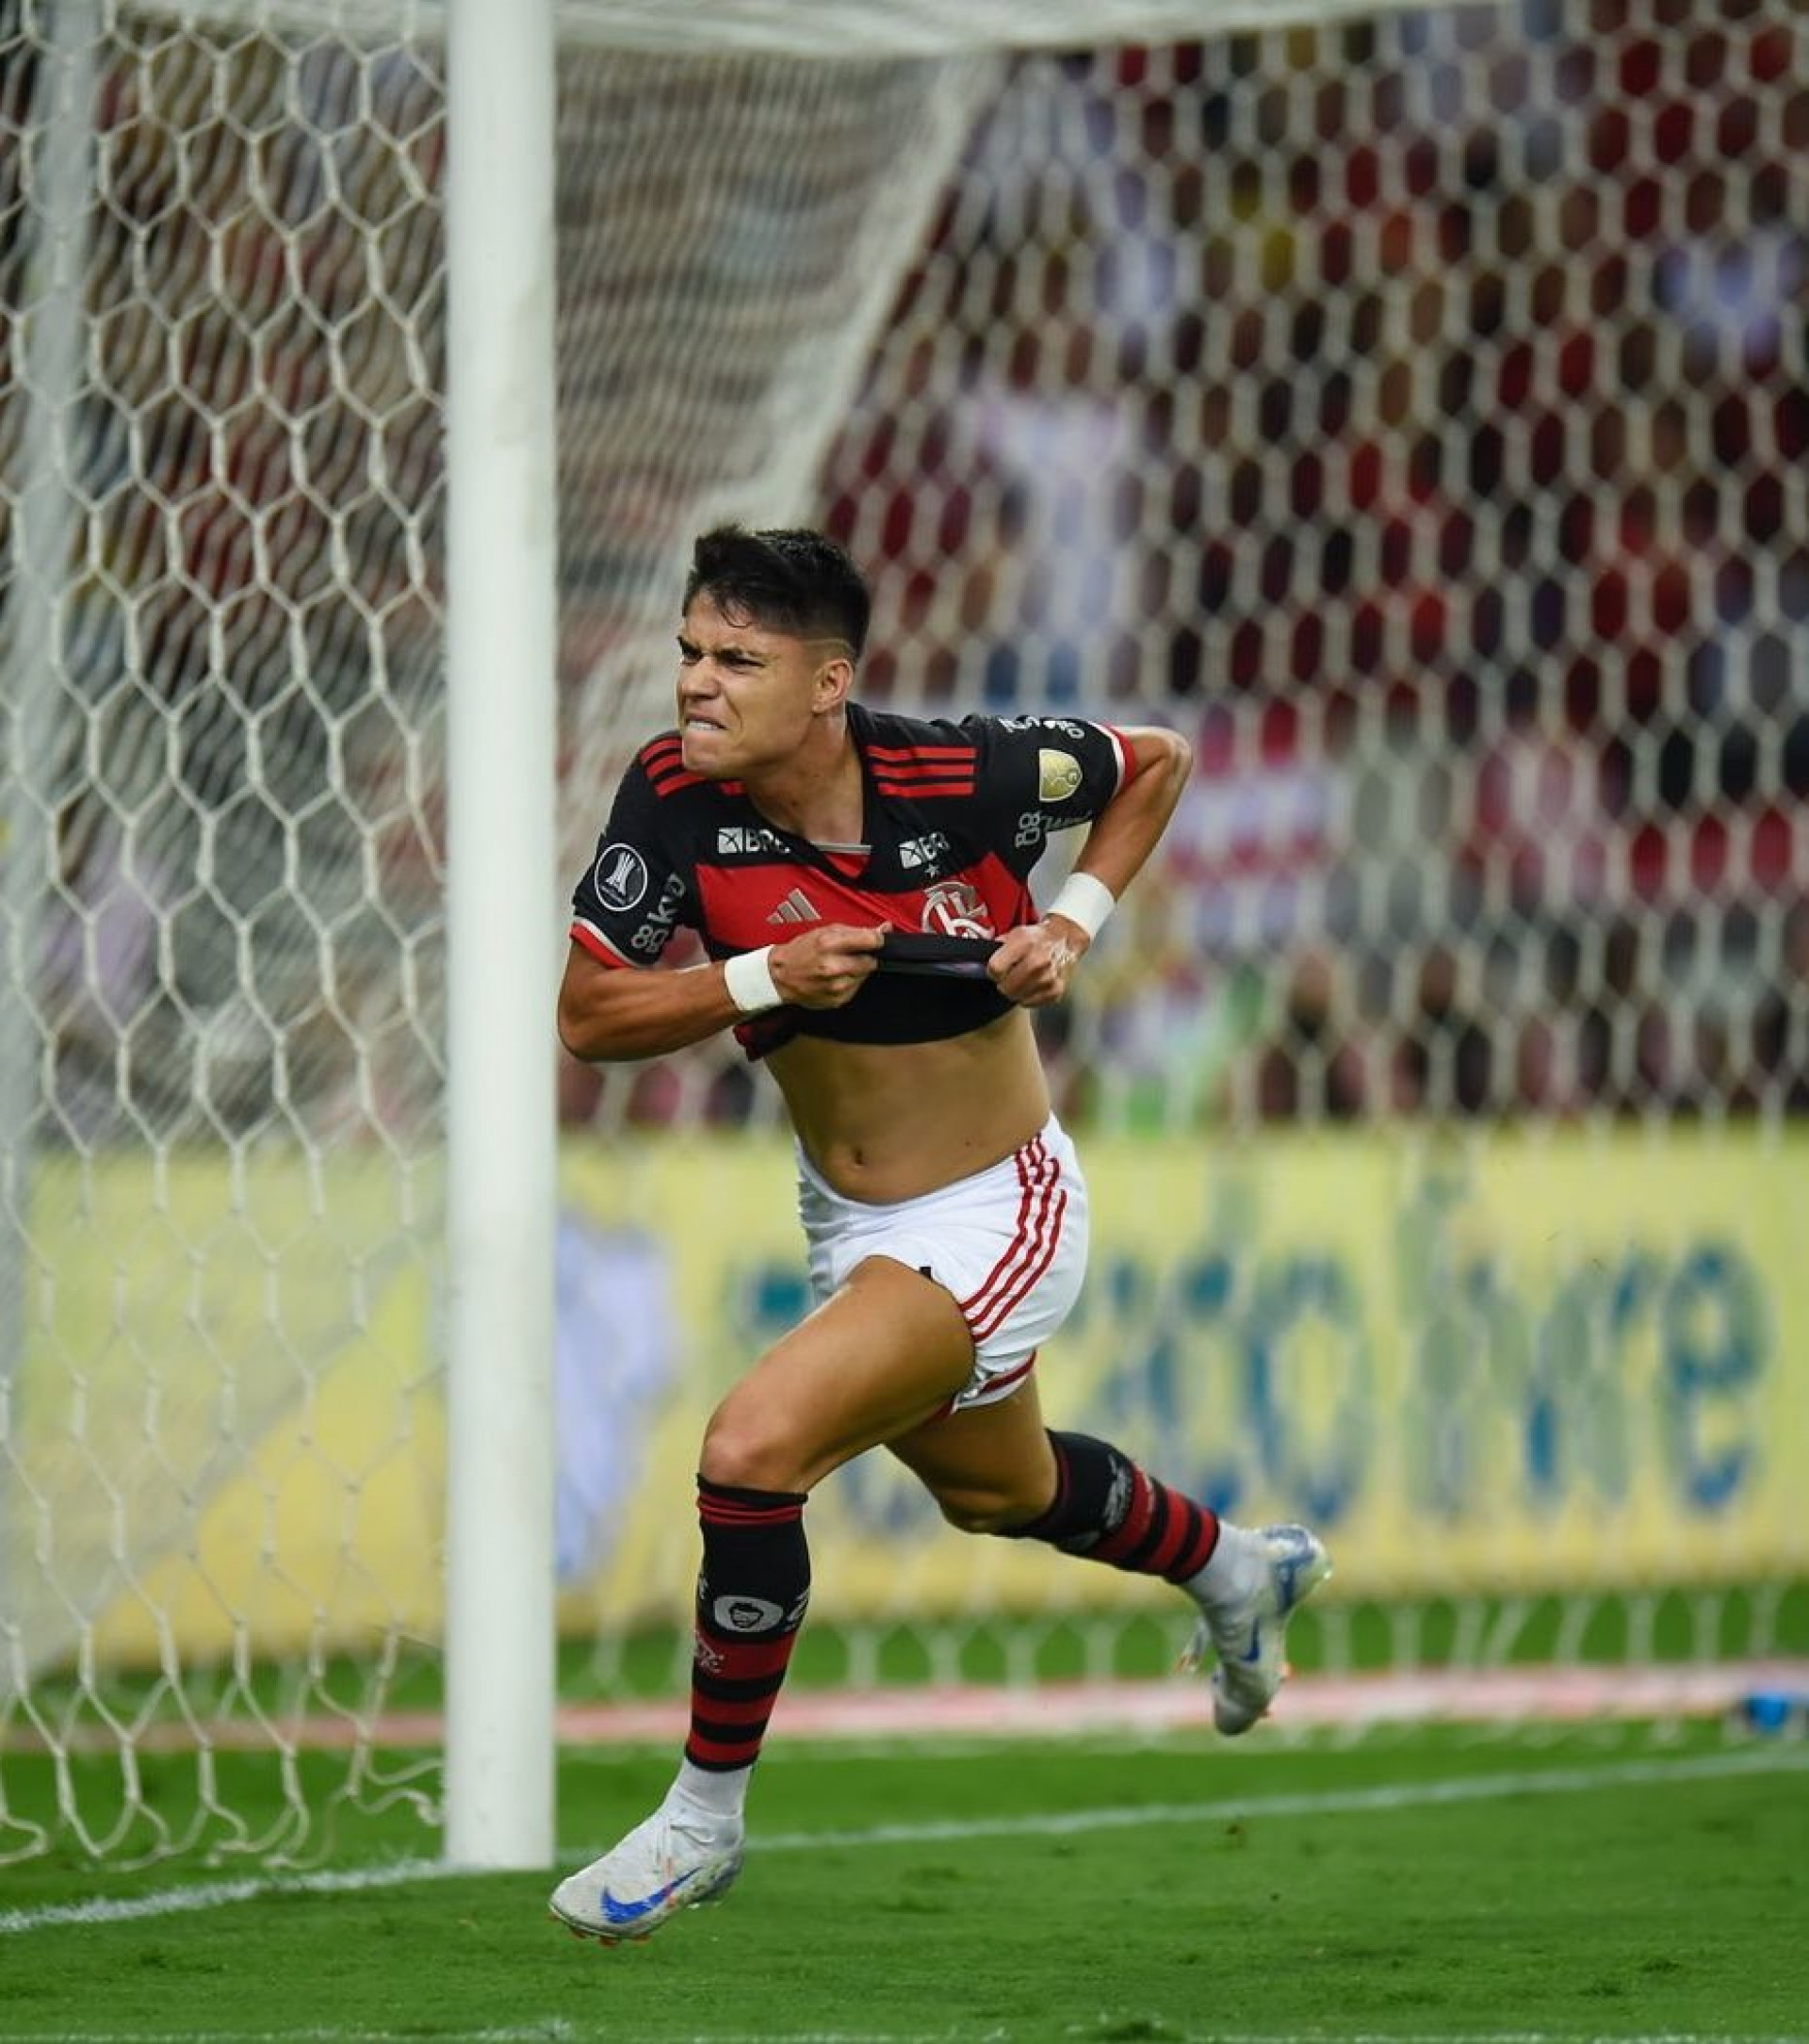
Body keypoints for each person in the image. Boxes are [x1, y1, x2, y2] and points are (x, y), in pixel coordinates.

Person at [547, 526, 1331, 1945]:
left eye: (739, 661)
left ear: (829, 681)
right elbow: (589, 1014)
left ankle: (701, 1822)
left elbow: (1154, 760)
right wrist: (751, 975)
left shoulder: (957, 769)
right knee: (1001, 1488)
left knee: (749, 1448)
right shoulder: (669, 799)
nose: (696, 686)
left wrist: (1077, 924)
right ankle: (1236, 1566)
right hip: (850, 1220)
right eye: (689, 653)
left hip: (1000, 1205)